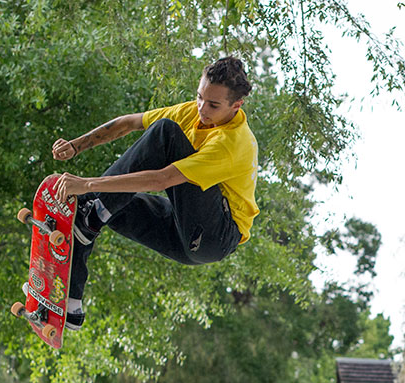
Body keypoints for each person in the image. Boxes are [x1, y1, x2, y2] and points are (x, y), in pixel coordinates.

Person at [47, 56, 259, 330]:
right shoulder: (193, 112)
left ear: (236, 105)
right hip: (183, 234)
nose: (201, 109)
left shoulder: (233, 143)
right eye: (199, 98)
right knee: (97, 208)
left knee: (164, 134)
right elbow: (130, 122)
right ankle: (72, 305)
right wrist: (77, 146)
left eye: (213, 105)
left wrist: (87, 183)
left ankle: (91, 216)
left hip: (215, 235)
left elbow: (162, 179)